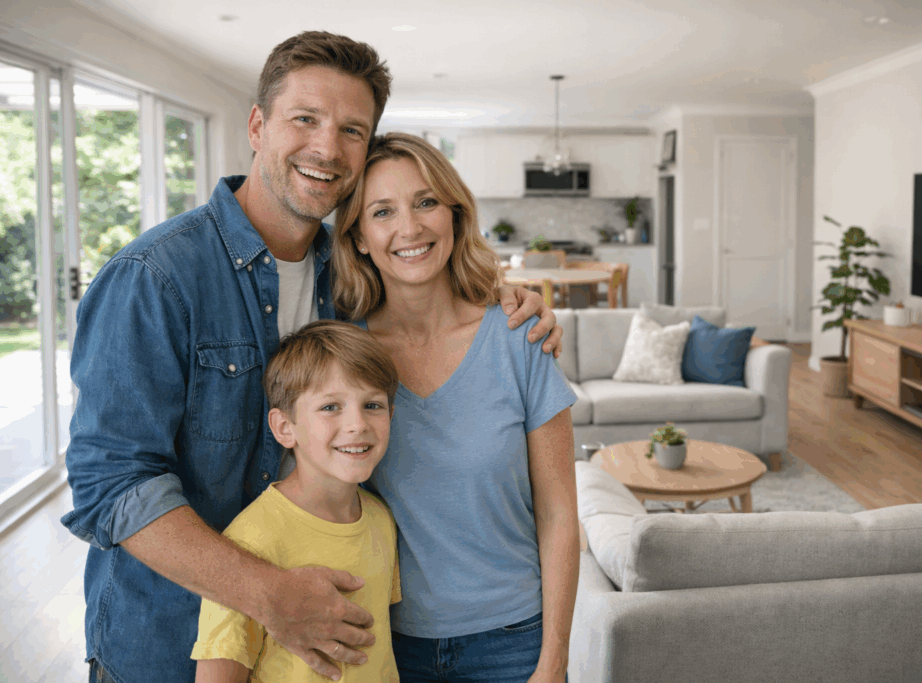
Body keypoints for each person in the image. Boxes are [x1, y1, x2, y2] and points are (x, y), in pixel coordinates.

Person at [61, 31, 562, 683]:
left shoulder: (350, 282)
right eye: (305, 119)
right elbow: (111, 485)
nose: (328, 148)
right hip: (169, 648)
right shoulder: (155, 277)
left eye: (353, 130)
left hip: (321, 657)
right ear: (257, 125)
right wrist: (269, 594)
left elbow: (428, 288)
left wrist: (504, 297)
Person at [332, 131, 580, 683]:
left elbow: (560, 512)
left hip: (515, 642)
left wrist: (555, 660)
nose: (410, 227)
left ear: (455, 216)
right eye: (382, 211)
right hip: (384, 644)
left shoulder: (519, 336)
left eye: (426, 202)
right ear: (358, 239)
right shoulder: (343, 356)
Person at [192, 320, 402, 683]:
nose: (357, 424)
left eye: (372, 404)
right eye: (330, 407)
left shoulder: (382, 520)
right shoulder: (250, 540)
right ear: (284, 427)